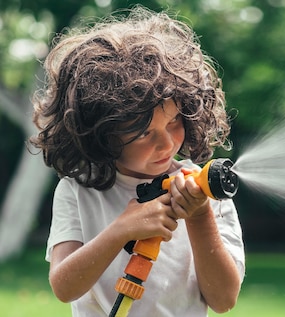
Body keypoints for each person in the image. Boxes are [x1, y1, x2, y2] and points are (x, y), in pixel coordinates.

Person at [28, 6, 244, 316]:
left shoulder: (204, 190)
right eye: (144, 133)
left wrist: (199, 216)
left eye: (174, 122)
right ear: (100, 134)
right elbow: (65, 288)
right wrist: (121, 230)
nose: (167, 142)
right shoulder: (78, 191)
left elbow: (223, 299)